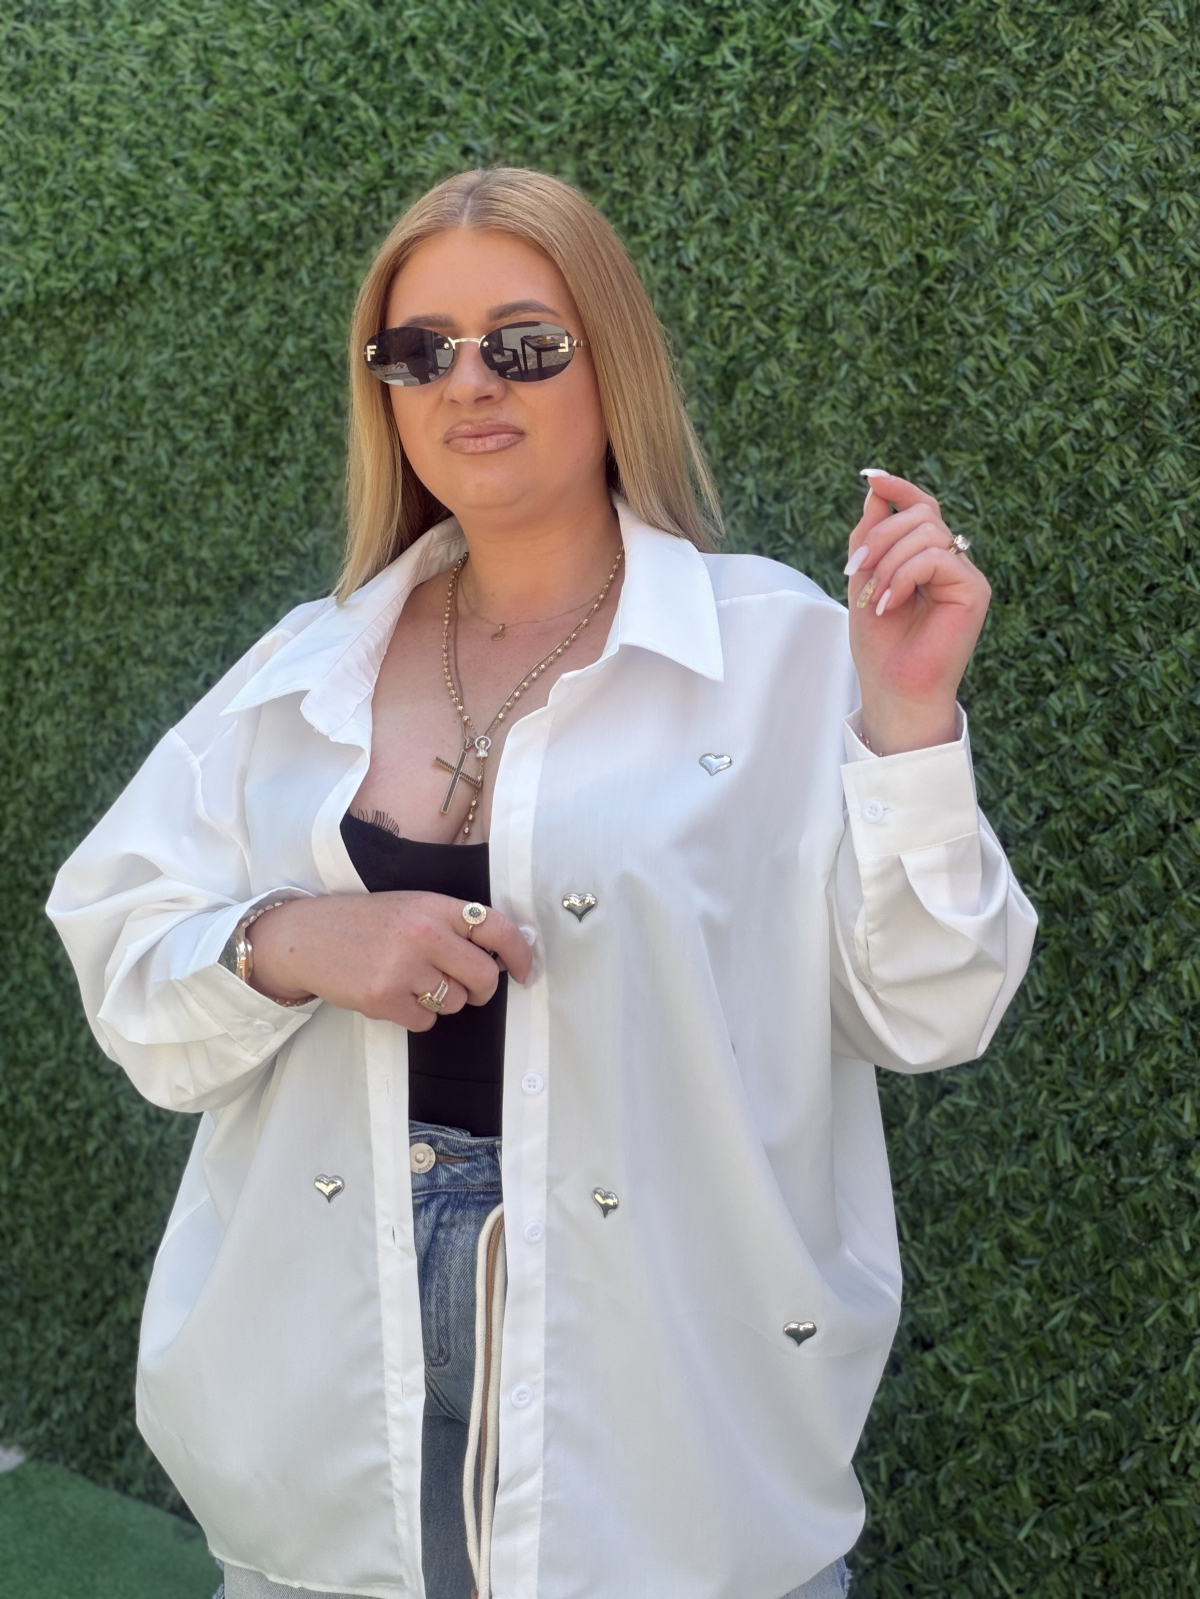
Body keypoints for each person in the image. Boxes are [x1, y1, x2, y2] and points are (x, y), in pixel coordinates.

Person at [47, 166, 1036, 1599]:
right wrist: (288, 939)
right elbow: (125, 952)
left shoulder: (780, 652)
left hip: (666, 1398)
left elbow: (934, 1009)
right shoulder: (297, 672)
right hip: (321, 1357)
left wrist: (910, 722)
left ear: (611, 358)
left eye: (524, 342)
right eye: (419, 350)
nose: (469, 382)